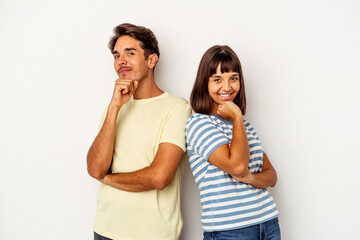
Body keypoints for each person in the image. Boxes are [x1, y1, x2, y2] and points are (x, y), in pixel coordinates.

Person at [87, 23, 192, 240]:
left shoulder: (177, 108)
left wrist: (109, 179)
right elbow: (96, 168)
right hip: (106, 230)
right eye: (117, 55)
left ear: (151, 60)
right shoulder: (112, 109)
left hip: (153, 234)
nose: (121, 61)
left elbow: (159, 176)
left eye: (130, 53)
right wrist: (115, 107)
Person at [186, 45, 280, 239]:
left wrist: (251, 178)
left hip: (268, 222)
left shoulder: (246, 127)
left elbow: (271, 176)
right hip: (230, 230)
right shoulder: (198, 124)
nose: (227, 87)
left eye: (233, 78)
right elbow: (237, 167)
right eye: (217, 79)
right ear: (205, 83)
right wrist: (237, 116)